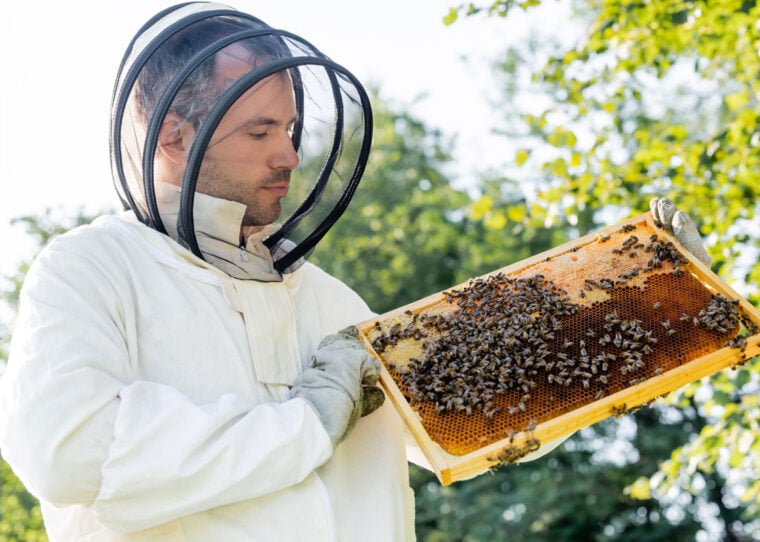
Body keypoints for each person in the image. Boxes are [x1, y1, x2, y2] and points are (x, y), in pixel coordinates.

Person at [0, 3, 712, 541]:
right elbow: (71, 454)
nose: (288, 156)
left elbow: (478, 408)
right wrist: (307, 419)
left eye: (289, 130)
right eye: (260, 132)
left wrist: (647, 313)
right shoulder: (91, 270)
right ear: (175, 137)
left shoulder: (335, 303)